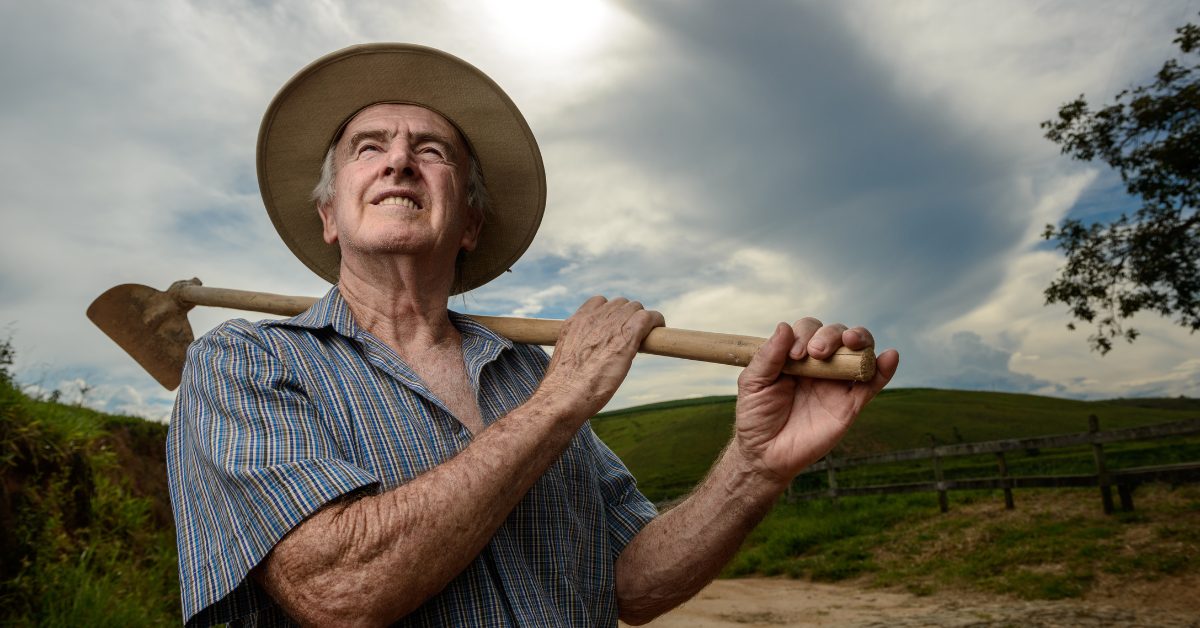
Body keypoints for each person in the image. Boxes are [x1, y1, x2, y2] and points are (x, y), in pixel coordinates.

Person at [167, 43, 899, 627]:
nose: (398, 159)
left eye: (432, 150)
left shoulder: (522, 372)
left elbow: (632, 584)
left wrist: (755, 465)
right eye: (368, 147)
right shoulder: (242, 364)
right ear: (329, 217)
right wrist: (563, 399)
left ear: (471, 224)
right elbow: (337, 592)